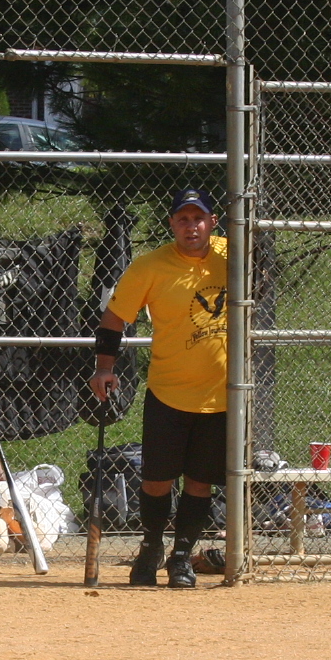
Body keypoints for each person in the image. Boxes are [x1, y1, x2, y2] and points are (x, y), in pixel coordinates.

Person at [88, 188, 228, 589]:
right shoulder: (151, 265)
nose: (191, 227)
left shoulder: (231, 255)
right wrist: (104, 369)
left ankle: (181, 557)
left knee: (200, 481)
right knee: (157, 480)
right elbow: (114, 318)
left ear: (212, 222)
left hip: (220, 395)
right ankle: (150, 547)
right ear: (172, 224)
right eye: (183, 219)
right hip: (169, 391)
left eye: (198, 218)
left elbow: (263, 276)